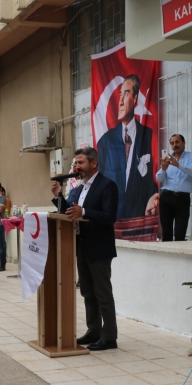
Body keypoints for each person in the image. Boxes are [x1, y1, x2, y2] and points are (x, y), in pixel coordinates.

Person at [52, 147, 119, 351]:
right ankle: (94, 331)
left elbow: (109, 217)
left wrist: (86, 211)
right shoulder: (80, 188)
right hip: (81, 246)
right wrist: (58, 197)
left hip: (99, 247)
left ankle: (109, 337)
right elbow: (70, 213)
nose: (77, 167)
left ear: (93, 163)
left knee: (102, 294)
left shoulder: (107, 186)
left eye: (80, 163)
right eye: (76, 163)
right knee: (88, 293)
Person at [96, 74, 158, 220]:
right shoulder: (105, 141)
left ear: (135, 99)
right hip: (113, 214)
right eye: (120, 95)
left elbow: (153, 178)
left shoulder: (149, 136)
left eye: (126, 93)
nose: (121, 101)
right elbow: (101, 178)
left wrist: (154, 198)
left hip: (140, 215)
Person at [155, 134, 192, 242]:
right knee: (166, 233)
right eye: (172, 143)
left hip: (182, 198)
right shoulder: (168, 159)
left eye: (177, 142)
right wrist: (163, 168)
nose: (175, 145)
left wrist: (178, 165)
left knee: (180, 233)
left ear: (184, 143)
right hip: (167, 196)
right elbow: (159, 178)